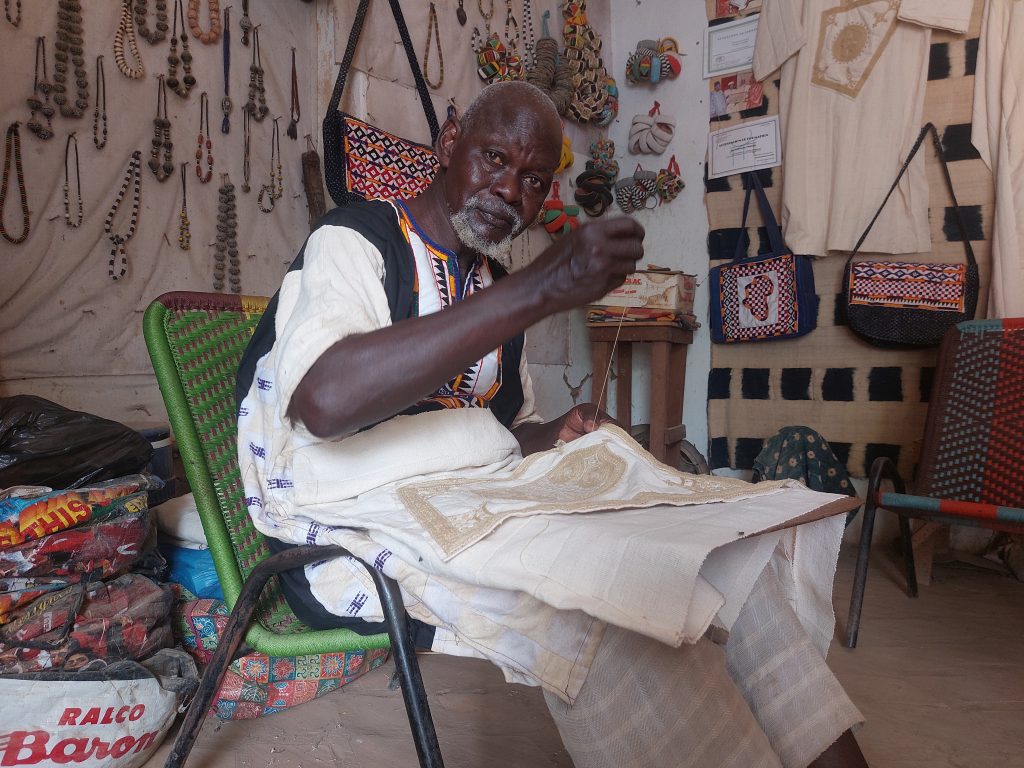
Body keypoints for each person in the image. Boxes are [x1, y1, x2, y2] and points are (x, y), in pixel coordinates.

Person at [236, 81, 868, 768]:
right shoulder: (357, 239)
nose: (511, 191)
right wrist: (536, 288)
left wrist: (558, 430)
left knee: (719, 551)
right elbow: (324, 402)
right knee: (613, 596)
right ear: (450, 147)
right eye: (494, 159)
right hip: (347, 530)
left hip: (467, 502)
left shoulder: (489, 283)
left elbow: (505, 433)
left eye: (534, 179)